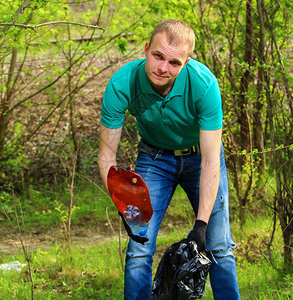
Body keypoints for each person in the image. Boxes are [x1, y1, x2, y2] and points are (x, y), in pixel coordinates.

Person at [97, 19, 241, 300]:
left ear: (186, 63)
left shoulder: (204, 84)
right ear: (147, 49)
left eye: (174, 62)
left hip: (200, 159)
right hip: (154, 157)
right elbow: (106, 157)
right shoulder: (122, 84)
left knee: (219, 245)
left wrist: (200, 225)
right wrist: (124, 202)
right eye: (158, 56)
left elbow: (212, 160)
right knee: (139, 247)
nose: (163, 68)